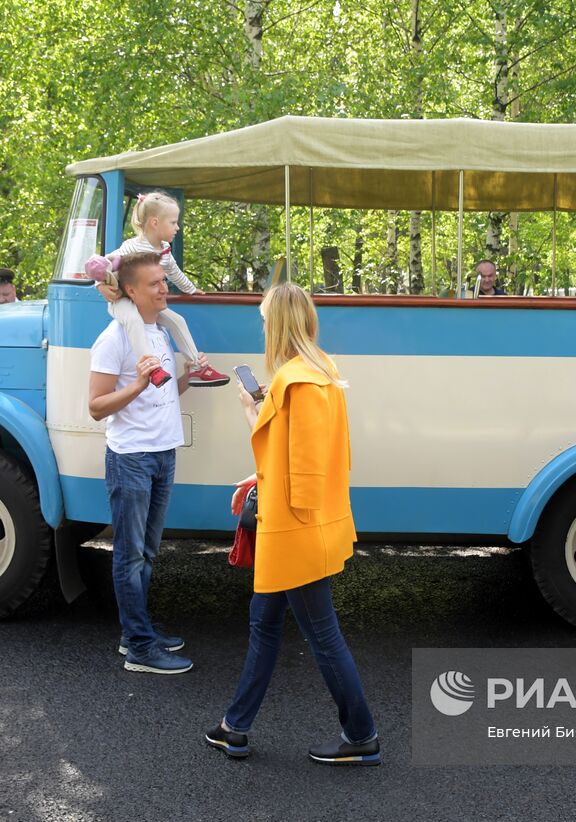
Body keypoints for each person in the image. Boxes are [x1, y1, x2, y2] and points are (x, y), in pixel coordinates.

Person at [204, 282, 379, 765]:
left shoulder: (293, 381)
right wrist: (262, 475)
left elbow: (295, 471)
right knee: (265, 623)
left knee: (322, 635)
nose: (262, 327)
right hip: (310, 522)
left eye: (264, 320)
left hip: (294, 530)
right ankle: (233, 728)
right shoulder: (322, 370)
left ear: (277, 323)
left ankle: (361, 735)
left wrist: (249, 411)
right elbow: (306, 457)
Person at [88, 251, 194, 674]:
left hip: (163, 452)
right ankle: (138, 647)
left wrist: (193, 374)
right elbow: (96, 407)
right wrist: (135, 383)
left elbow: (163, 394)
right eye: (155, 284)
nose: (164, 288)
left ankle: (138, 630)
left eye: (164, 281)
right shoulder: (114, 339)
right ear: (130, 290)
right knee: (130, 556)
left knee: (147, 552)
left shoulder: (157, 331)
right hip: (130, 459)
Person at [90, 191, 229, 387]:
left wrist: (191, 290)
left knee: (177, 321)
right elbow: (102, 265)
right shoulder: (132, 248)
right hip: (123, 301)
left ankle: (199, 368)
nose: (177, 227)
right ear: (155, 223)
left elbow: (174, 272)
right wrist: (100, 286)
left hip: (146, 304)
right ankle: (151, 368)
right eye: (173, 222)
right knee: (133, 320)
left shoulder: (163, 249)